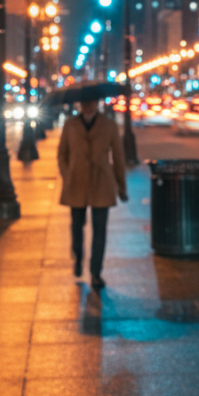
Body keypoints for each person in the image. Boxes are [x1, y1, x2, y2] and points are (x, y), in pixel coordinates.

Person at [57, 98, 128, 289]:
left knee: (100, 231)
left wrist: (121, 186)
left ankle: (96, 272)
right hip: (76, 183)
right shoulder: (70, 125)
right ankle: (78, 257)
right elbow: (61, 154)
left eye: (91, 102)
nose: (88, 106)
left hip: (101, 183)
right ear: (79, 104)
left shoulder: (109, 125)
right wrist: (68, 174)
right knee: (76, 226)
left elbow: (118, 157)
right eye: (85, 103)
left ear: (97, 103)